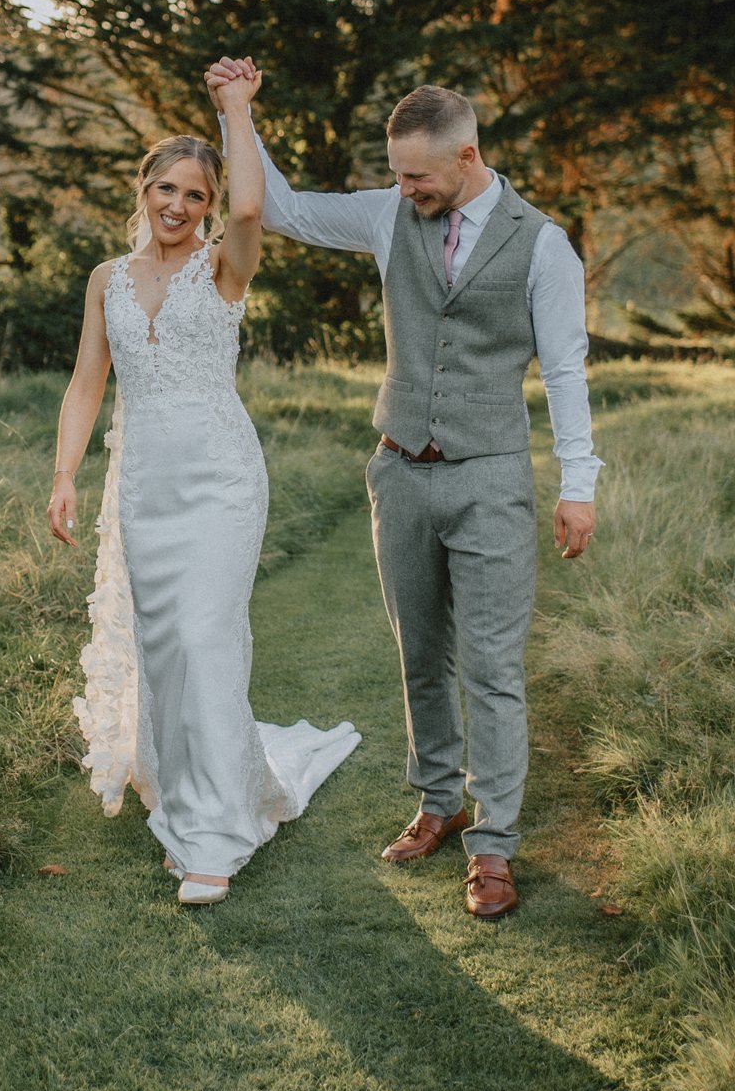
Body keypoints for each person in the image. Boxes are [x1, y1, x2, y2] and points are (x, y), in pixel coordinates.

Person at [206, 58, 601, 921]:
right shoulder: (392, 213)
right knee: (420, 651)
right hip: (400, 470)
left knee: (493, 667)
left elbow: (566, 371)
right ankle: (438, 799)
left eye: (419, 175)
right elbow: (283, 206)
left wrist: (580, 485)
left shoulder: (543, 243)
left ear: (468, 156)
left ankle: (492, 845)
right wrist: (238, 110)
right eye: (397, 174)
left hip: (492, 474)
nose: (405, 188)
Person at [47, 64, 360, 904]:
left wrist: (236, 111)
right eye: (166, 188)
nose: (179, 205)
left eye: (196, 194)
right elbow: (86, 384)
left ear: (210, 205)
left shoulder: (225, 266)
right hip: (143, 483)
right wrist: (65, 475)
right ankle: (187, 802)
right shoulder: (107, 280)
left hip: (221, 478)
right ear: (143, 188)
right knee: (166, 653)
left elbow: (256, 207)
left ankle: (217, 835)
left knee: (206, 639)